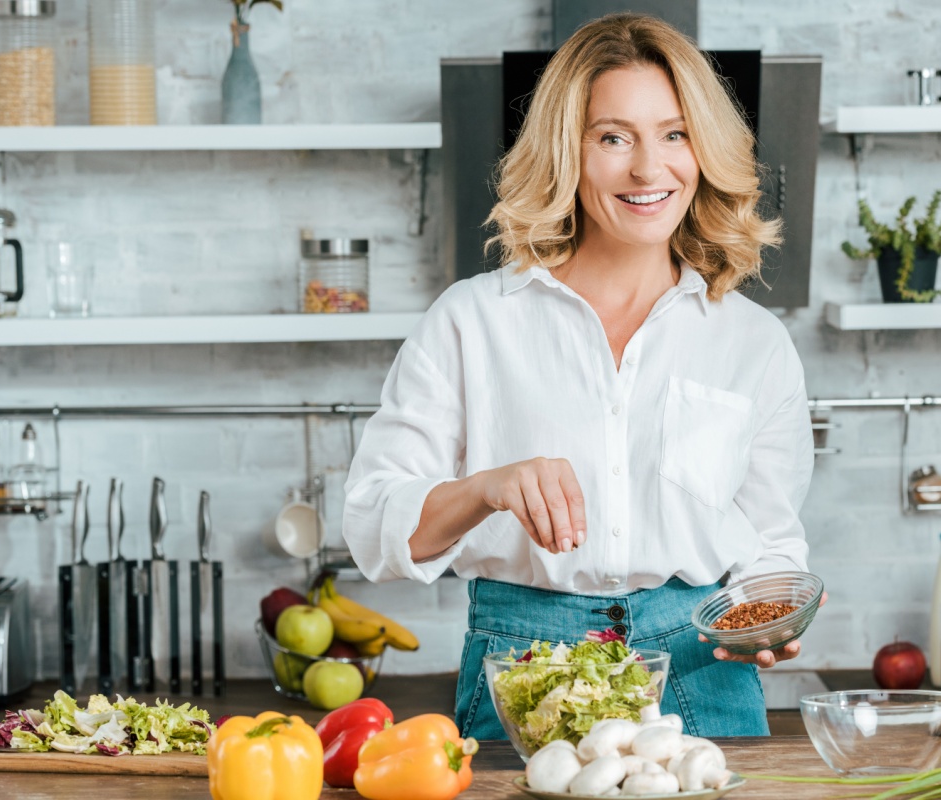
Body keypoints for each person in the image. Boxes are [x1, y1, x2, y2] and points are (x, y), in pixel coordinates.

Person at [343, 12, 816, 739]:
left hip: (703, 669)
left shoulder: (754, 342)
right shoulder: (472, 321)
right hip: (526, 667)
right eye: (612, 137)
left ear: (704, 151)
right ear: (569, 151)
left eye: (675, 133)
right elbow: (374, 527)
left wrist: (772, 613)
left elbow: (771, 543)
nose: (648, 169)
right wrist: (485, 487)